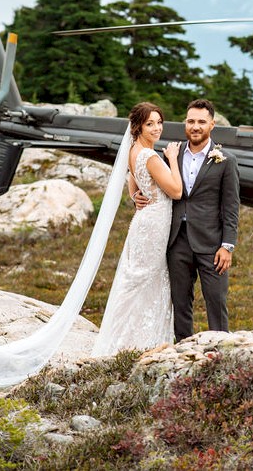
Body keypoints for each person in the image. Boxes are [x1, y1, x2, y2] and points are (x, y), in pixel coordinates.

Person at [136, 99, 240, 342]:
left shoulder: (226, 160)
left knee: (216, 300)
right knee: (180, 303)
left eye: (201, 122)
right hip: (176, 240)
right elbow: (148, 179)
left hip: (212, 244)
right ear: (185, 123)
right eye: (191, 121)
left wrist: (227, 246)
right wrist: (136, 195)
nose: (195, 126)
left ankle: (220, 350)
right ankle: (183, 350)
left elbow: (231, 207)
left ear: (212, 125)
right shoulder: (171, 153)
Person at [92, 102, 182, 356]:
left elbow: (133, 181)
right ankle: (136, 341)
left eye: (159, 122)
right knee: (147, 278)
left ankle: (126, 337)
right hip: (153, 223)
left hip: (144, 221)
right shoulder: (151, 157)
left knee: (137, 279)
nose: (156, 128)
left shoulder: (134, 151)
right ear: (138, 127)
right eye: (150, 124)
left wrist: (135, 196)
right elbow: (176, 191)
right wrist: (173, 160)